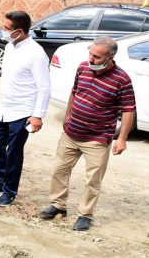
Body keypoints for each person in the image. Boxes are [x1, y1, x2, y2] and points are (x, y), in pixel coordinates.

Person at [39, 37, 135, 231]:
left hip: (97, 139)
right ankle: (58, 205)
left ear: (111, 56)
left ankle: (86, 215)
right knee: (60, 169)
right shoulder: (83, 67)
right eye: (90, 53)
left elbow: (128, 109)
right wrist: (67, 116)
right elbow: (74, 92)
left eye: (97, 57)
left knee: (92, 180)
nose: (91, 59)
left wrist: (122, 139)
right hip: (71, 133)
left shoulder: (122, 79)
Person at [0, 11, 51, 207]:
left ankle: (9, 191)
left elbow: (44, 87)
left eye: (6, 28)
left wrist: (38, 115)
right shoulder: (11, 47)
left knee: (13, 153)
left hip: (23, 113)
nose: (3, 31)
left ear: (19, 31)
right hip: (3, 109)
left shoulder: (36, 54)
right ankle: (0, 182)